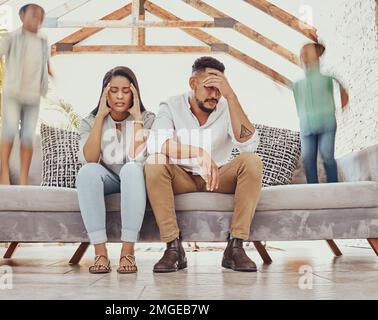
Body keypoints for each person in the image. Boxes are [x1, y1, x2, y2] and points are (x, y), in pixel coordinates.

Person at [144, 56, 263, 273]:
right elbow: (157, 143)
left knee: (252, 161)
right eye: (210, 88)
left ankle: (235, 248)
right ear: (193, 84)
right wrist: (197, 152)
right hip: (182, 177)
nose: (215, 96)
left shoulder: (226, 106)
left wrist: (232, 97)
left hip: (217, 177)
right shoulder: (171, 105)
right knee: (154, 162)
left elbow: (249, 144)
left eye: (219, 89)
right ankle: (173, 249)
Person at [76, 66, 155, 274]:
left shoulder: (147, 119)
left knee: (131, 168)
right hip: (109, 178)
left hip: (136, 177)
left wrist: (136, 117)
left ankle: (127, 251)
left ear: (134, 93)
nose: (120, 96)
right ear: (104, 93)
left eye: (126, 90)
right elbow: (90, 159)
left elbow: (138, 158)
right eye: (113, 90)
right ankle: (100, 253)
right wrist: (101, 116)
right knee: (87, 172)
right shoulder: (90, 121)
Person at [0, 3, 53, 185]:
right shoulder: (11, 37)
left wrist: (52, 78)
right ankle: (4, 174)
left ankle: (23, 178)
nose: (37, 19)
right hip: (13, 93)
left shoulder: (43, 41)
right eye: (33, 15)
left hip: (33, 96)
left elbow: (46, 65)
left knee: (28, 137)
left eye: (40, 17)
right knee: (9, 132)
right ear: (22, 16)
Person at [292, 43, 349, 183]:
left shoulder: (327, 79)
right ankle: (314, 189)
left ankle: (334, 186)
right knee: (308, 159)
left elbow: (342, 88)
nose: (303, 57)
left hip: (326, 123)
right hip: (306, 127)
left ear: (317, 56)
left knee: (327, 155)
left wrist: (343, 105)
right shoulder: (298, 84)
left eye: (306, 53)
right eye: (301, 54)